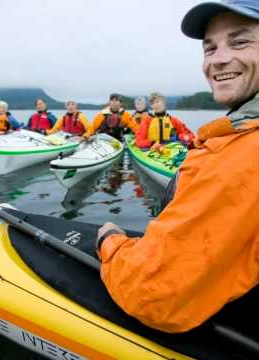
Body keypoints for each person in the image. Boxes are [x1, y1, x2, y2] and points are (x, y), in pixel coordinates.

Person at [95, 0, 259, 334]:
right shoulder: (131, 121)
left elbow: (152, 294)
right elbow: (138, 140)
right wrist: (150, 145)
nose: (220, 58)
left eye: (240, 41)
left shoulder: (241, 156)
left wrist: (110, 241)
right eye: (209, 48)